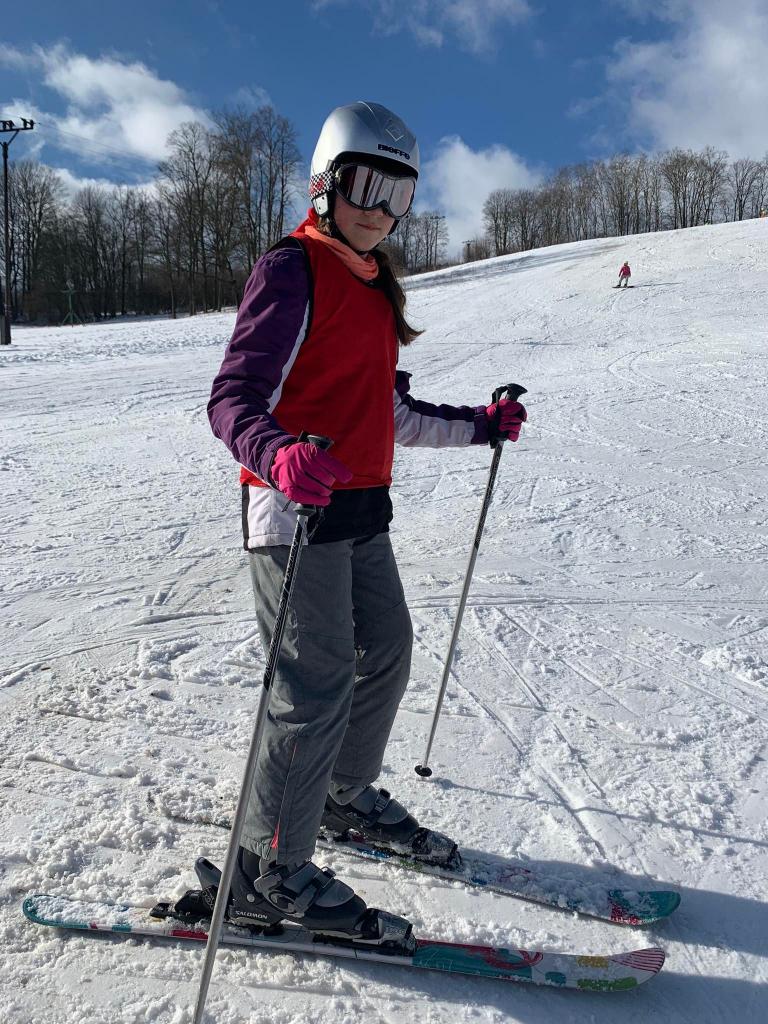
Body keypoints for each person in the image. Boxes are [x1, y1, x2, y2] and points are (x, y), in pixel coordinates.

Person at [206, 101, 527, 945]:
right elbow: (232, 399)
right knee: (311, 686)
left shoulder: (376, 286)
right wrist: (278, 453)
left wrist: (480, 426)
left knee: (385, 651)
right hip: (293, 512)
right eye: (368, 187)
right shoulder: (292, 270)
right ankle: (267, 869)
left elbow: (389, 411)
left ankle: (342, 795)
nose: (382, 210)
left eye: (400, 194)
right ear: (326, 184)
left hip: (360, 510)